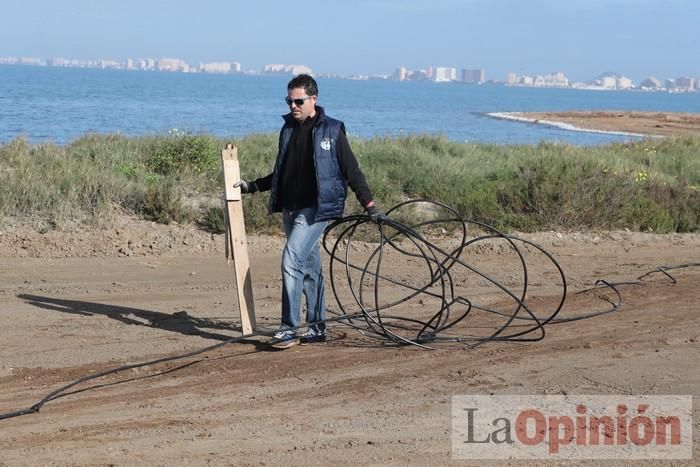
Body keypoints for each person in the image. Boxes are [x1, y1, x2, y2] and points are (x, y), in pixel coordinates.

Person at [235, 74, 383, 349]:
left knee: (291, 261)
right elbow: (281, 172)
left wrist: (370, 206)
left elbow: (352, 170)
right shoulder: (288, 129)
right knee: (310, 269)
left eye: (298, 101)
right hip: (291, 209)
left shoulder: (333, 129)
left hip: (317, 210)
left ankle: (288, 329)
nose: (293, 106)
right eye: (289, 101)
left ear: (314, 99)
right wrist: (252, 186)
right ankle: (316, 328)